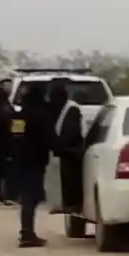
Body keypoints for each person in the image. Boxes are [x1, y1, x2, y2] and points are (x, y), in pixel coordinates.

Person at [14, 82, 52, 247]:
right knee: (31, 198)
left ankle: (26, 232)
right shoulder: (42, 114)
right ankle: (27, 234)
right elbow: (50, 137)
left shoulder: (21, 114)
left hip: (22, 160)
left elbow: (16, 135)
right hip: (36, 161)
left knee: (27, 198)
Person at [50, 80, 86, 216]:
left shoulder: (72, 109)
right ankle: (65, 204)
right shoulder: (63, 108)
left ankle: (72, 205)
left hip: (73, 150)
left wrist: (60, 145)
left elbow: (72, 132)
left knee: (72, 179)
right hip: (66, 150)